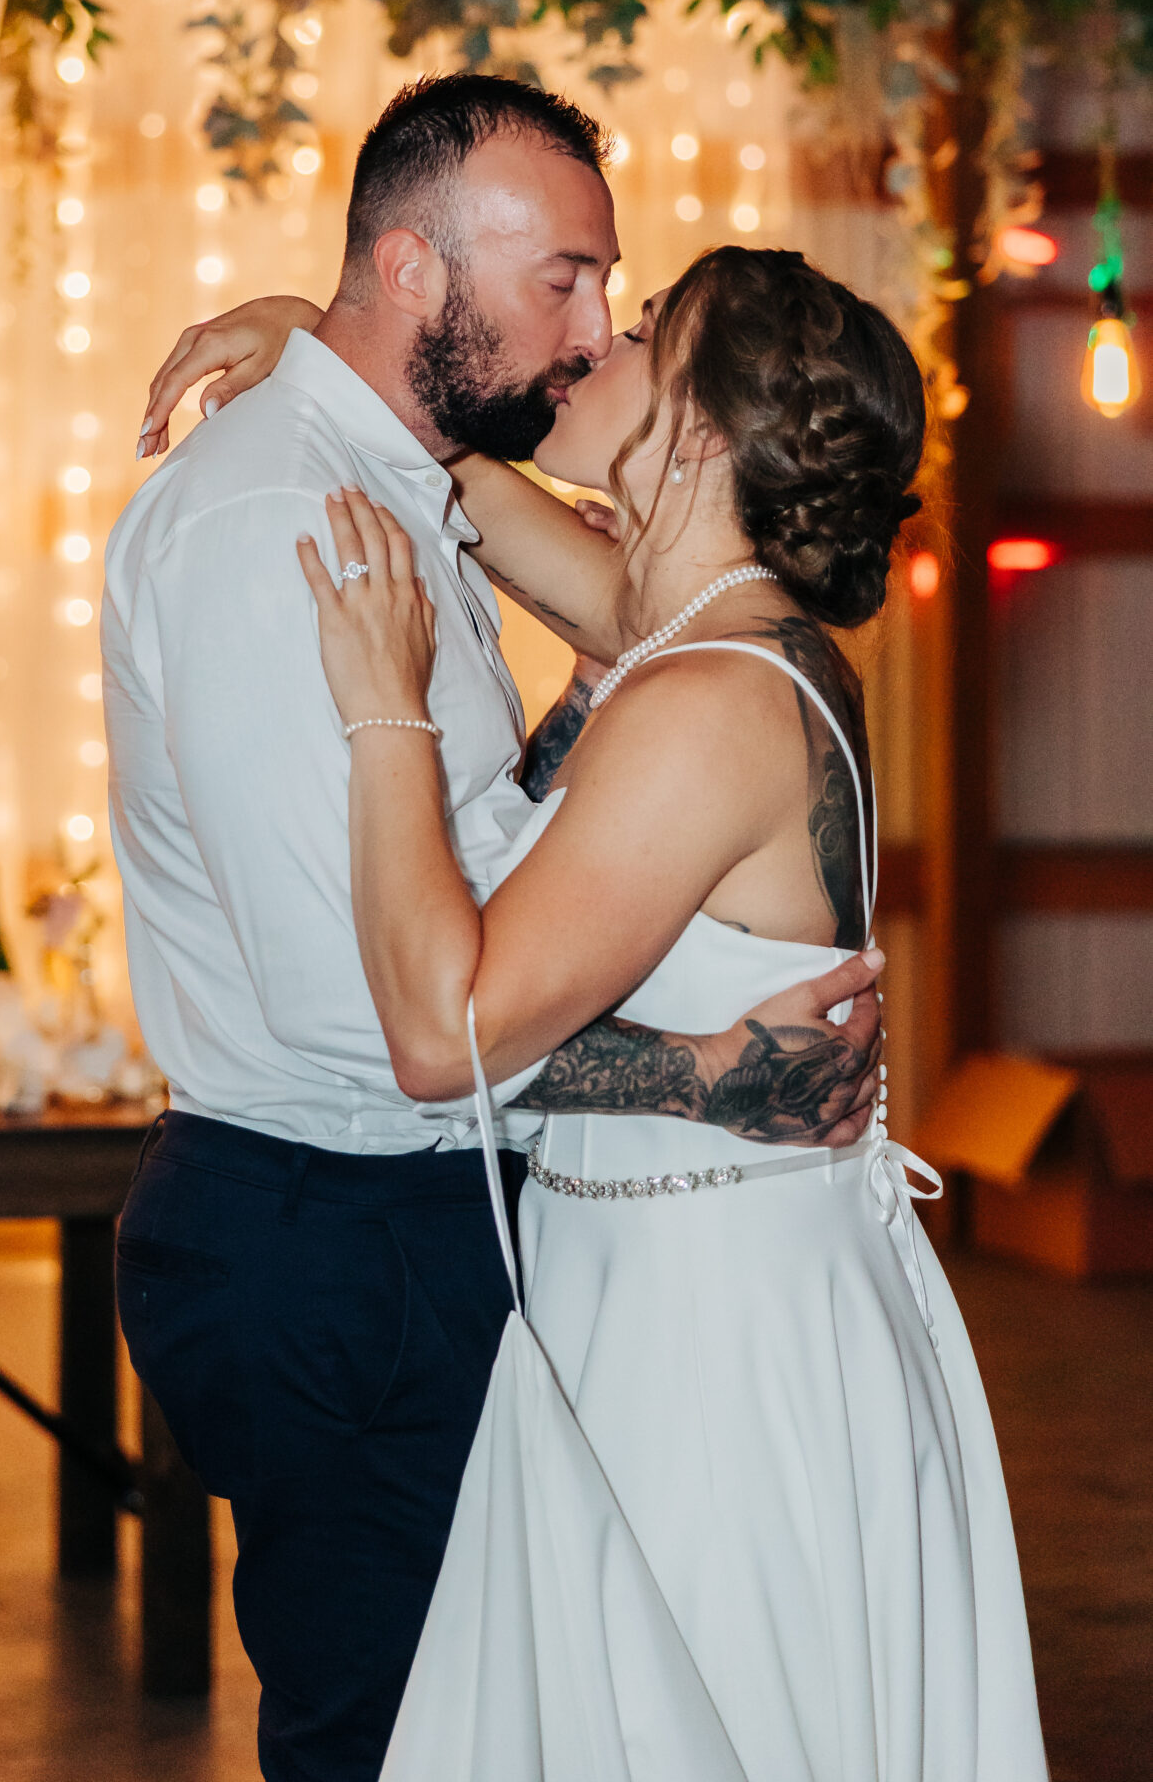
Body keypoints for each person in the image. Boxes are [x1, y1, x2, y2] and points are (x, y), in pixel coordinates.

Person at [153, 235, 1047, 1781]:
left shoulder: (702, 704)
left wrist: (384, 707)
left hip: (703, 1334)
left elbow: (447, 1036)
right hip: (694, 1275)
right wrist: (322, 333)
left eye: (635, 336)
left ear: (695, 433)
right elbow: (474, 490)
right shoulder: (721, 633)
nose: (589, 349)